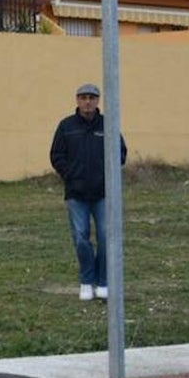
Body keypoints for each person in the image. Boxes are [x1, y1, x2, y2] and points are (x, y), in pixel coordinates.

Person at [49, 83, 128, 302]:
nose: (87, 102)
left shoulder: (108, 125)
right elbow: (57, 155)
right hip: (76, 193)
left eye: (92, 98)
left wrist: (108, 175)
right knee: (81, 237)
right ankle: (86, 281)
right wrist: (70, 174)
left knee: (105, 236)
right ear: (77, 100)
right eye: (83, 97)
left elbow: (120, 153)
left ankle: (103, 282)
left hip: (103, 194)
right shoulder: (66, 126)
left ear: (98, 101)